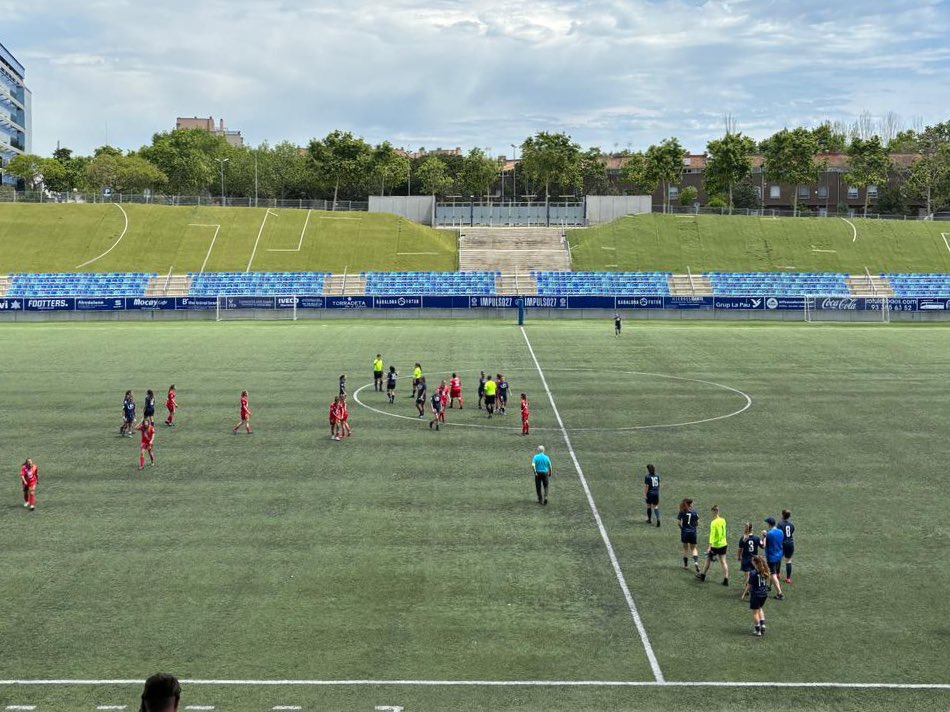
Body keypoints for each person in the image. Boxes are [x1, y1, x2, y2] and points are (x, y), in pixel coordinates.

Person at [697, 504, 729, 586]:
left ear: (714, 512)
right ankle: (726, 579)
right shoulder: (723, 520)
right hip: (723, 543)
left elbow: (712, 535)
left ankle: (703, 576)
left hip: (715, 545)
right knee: (723, 562)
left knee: (708, 560)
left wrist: (709, 546)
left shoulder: (713, 523)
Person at [738, 522, 763, 599]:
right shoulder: (757, 538)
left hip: (745, 559)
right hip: (754, 559)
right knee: (753, 575)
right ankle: (752, 588)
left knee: (747, 576)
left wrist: (739, 557)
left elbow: (740, 549)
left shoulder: (743, 538)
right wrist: (764, 537)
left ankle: (748, 590)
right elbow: (762, 546)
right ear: (752, 529)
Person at [748, 555, 771, 637]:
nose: (751, 561)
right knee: (760, 608)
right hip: (764, 594)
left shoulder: (753, 573)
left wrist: (747, 592)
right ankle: (763, 625)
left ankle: (758, 630)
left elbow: (750, 585)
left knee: (755, 612)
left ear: (755, 562)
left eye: (752, 561)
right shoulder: (765, 570)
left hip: (756, 594)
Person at [764, 517, 785, 599]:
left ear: (769, 524)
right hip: (779, 555)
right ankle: (769, 586)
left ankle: (780, 593)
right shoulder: (781, 532)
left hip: (771, 557)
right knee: (775, 573)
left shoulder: (769, 534)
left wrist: (764, 536)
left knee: (773, 574)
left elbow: (764, 545)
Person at [677, 498, 700, 572]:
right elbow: (697, 523)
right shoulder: (695, 512)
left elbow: (678, 523)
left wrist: (682, 529)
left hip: (685, 532)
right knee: (693, 549)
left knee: (685, 549)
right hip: (693, 532)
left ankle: (686, 565)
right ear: (690, 504)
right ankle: (696, 562)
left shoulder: (682, 512)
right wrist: (694, 527)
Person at [780, 509, 796, 583]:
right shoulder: (791, 524)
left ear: (783, 515)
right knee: (788, 560)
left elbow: (778, 534)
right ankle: (788, 578)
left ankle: (777, 574)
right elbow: (792, 531)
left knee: (778, 558)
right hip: (790, 543)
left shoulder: (780, 524)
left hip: (782, 543)